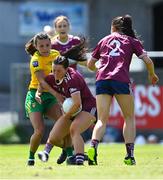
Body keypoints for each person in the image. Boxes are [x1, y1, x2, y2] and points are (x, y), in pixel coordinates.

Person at [87, 14, 159, 166]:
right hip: (120, 80)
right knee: (129, 117)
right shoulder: (132, 41)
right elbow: (148, 61)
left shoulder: (103, 40)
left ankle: (93, 146)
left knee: (101, 120)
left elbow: (90, 64)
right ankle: (129, 156)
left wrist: (98, 69)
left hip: (102, 80)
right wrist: (152, 74)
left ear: (113, 27)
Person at [37, 56, 97, 165]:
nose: (55, 73)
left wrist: (66, 116)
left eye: (59, 70)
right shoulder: (53, 76)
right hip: (73, 110)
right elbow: (42, 83)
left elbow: (77, 103)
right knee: (54, 138)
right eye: (53, 70)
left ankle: (79, 160)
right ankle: (72, 153)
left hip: (88, 107)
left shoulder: (72, 79)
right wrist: (38, 94)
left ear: (66, 69)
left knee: (74, 129)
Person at [50, 15, 88, 164]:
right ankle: (68, 151)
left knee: (74, 119)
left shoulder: (76, 42)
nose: (62, 28)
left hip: (74, 84)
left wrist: (94, 67)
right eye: (59, 26)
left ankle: (74, 151)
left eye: (64, 25)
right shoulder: (52, 44)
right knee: (64, 119)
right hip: (60, 85)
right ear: (56, 29)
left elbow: (84, 62)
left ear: (69, 27)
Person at [25, 32, 64, 166]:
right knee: (39, 130)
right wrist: (57, 95)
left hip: (50, 95)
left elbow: (63, 74)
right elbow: (42, 82)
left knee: (62, 124)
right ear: (36, 47)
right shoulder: (35, 60)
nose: (45, 48)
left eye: (47, 45)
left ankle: (69, 153)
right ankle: (31, 157)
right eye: (41, 46)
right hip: (35, 95)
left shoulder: (56, 55)